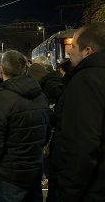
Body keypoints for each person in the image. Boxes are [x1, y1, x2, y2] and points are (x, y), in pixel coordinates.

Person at [0, 50, 50, 202]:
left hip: (9, 177)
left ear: (1, 70)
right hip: (34, 173)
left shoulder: (1, 98)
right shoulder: (40, 94)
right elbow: (45, 133)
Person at [53, 23, 105, 202]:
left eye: (73, 46)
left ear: (87, 51)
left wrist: (66, 194)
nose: (69, 52)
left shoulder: (85, 80)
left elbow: (81, 147)